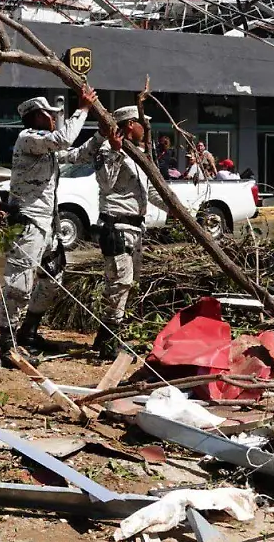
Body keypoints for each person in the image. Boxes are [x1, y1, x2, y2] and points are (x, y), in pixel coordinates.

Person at [1, 86, 103, 357]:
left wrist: (102, 135)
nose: (55, 118)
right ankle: (8, 343)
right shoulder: (28, 139)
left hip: (47, 223)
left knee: (53, 278)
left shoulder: (47, 146)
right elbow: (65, 140)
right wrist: (83, 109)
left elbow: (78, 155)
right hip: (28, 221)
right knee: (19, 284)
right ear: (37, 116)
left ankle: (29, 332)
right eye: (51, 114)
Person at [91, 106, 168, 359]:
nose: (147, 129)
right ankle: (109, 344)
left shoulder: (140, 155)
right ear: (130, 125)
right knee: (120, 282)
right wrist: (113, 150)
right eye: (142, 123)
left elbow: (151, 191)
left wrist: (175, 209)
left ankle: (104, 336)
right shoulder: (108, 151)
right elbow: (104, 182)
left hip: (136, 229)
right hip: (116, 227)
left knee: (126, 284)